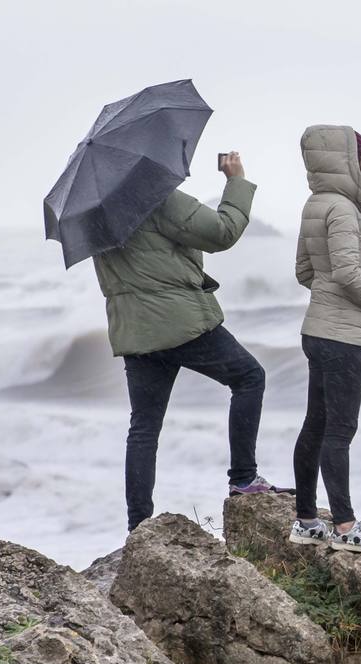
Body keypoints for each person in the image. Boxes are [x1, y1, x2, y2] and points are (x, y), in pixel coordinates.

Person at [93, 151, 284, 532]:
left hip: (136, 331)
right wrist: (236, 180)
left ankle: (138, 527)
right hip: (180, 322)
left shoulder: (97, 214)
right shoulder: (153, 195)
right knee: (249, 378)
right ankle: (243, 479)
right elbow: (222, 232)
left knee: (144, 427)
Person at [289, 126, 361, 553]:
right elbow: (349, 272)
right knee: (340, 429)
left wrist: (328, 296)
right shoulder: (344, 211)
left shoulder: (316, 204)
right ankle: (347, 528)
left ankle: (307, 521)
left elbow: (304, 272)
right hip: (341, 336)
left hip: (318, 330)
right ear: (346, 161)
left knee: (316, 425)